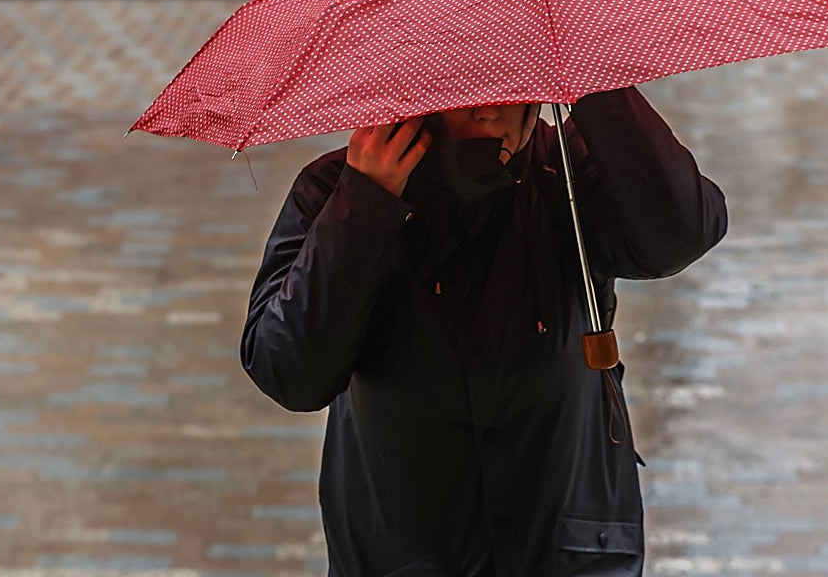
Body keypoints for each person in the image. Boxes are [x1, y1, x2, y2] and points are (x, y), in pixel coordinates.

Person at [242, 87, 728, 576]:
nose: (489, 106)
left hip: (570, 551)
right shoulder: (336, 188)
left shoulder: (569, 168)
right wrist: (364, 202)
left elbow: (680, 233)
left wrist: (595, 87)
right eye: (464, 89)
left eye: (512, 83)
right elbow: (289, 369)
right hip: (401, 553)